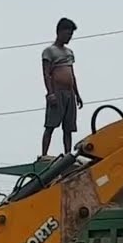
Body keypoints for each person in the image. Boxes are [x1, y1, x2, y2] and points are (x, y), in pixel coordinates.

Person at [40, 17, 82, 157]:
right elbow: (46, 73)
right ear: (59, 32)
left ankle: (68, 155)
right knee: (51, 125)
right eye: (67, 33)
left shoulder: (69, 53)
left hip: (69, 92)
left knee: (68, 127)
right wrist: (50, 93)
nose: (69, 37)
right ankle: (44, 154)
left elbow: (72, 74)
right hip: (57, 92)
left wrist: (77, 94)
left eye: (71, 34)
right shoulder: (49, 51)